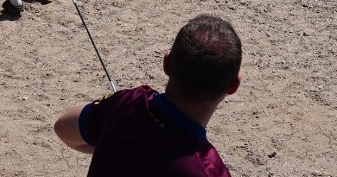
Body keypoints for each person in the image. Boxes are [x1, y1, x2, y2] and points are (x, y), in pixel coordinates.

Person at [55, 14, 240, 174]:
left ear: (167, 64)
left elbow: (63, 127)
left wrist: (113, 144)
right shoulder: (210, 170)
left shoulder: (127, 104)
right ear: (233, 86)